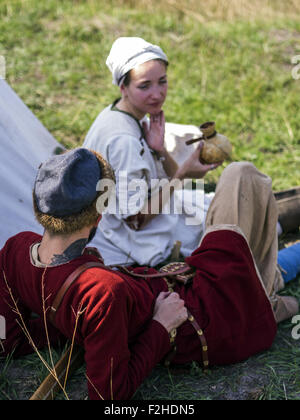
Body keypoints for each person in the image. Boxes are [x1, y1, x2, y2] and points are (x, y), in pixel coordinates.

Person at [1, 148, 298, 400]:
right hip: (213, 315)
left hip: (188, 288)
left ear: (40, 205)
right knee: (241, 174)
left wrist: (82, 330)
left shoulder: (16, 250)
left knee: (262, 266)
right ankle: (268, 296)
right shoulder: (101, 291)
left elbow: (7, 339)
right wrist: (160, 325)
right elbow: (108, 395)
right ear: (99, 213)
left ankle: (270, 289)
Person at [82, 36, 299, 320]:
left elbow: (160, 179)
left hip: (166, 214)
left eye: (163, 81)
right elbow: (135, 219)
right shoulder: (122, 139)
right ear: (123, 87)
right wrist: (184, 173)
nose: (157, 94)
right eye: (144, 86)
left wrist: (160, 151)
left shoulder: (126, 115)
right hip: (141, 241)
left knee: (255, 204)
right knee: (247, 225)